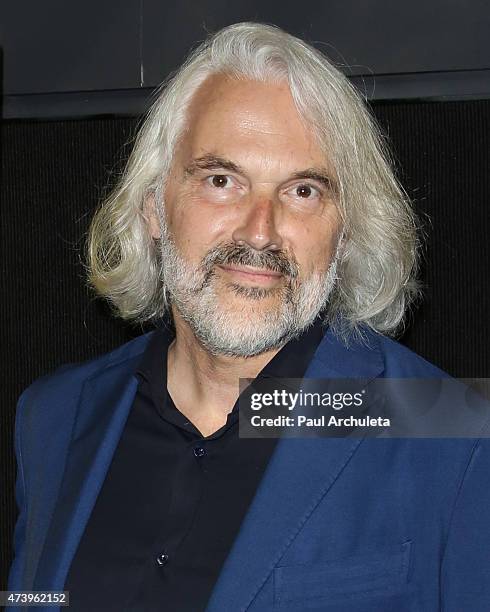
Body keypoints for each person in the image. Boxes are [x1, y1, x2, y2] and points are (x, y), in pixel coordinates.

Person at [7, 21, 490, 612]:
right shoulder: (54, 417)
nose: (260, 232)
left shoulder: (456, 436)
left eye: (303, 191)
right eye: (221, 180)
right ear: (154, 208)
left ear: (345, 232)